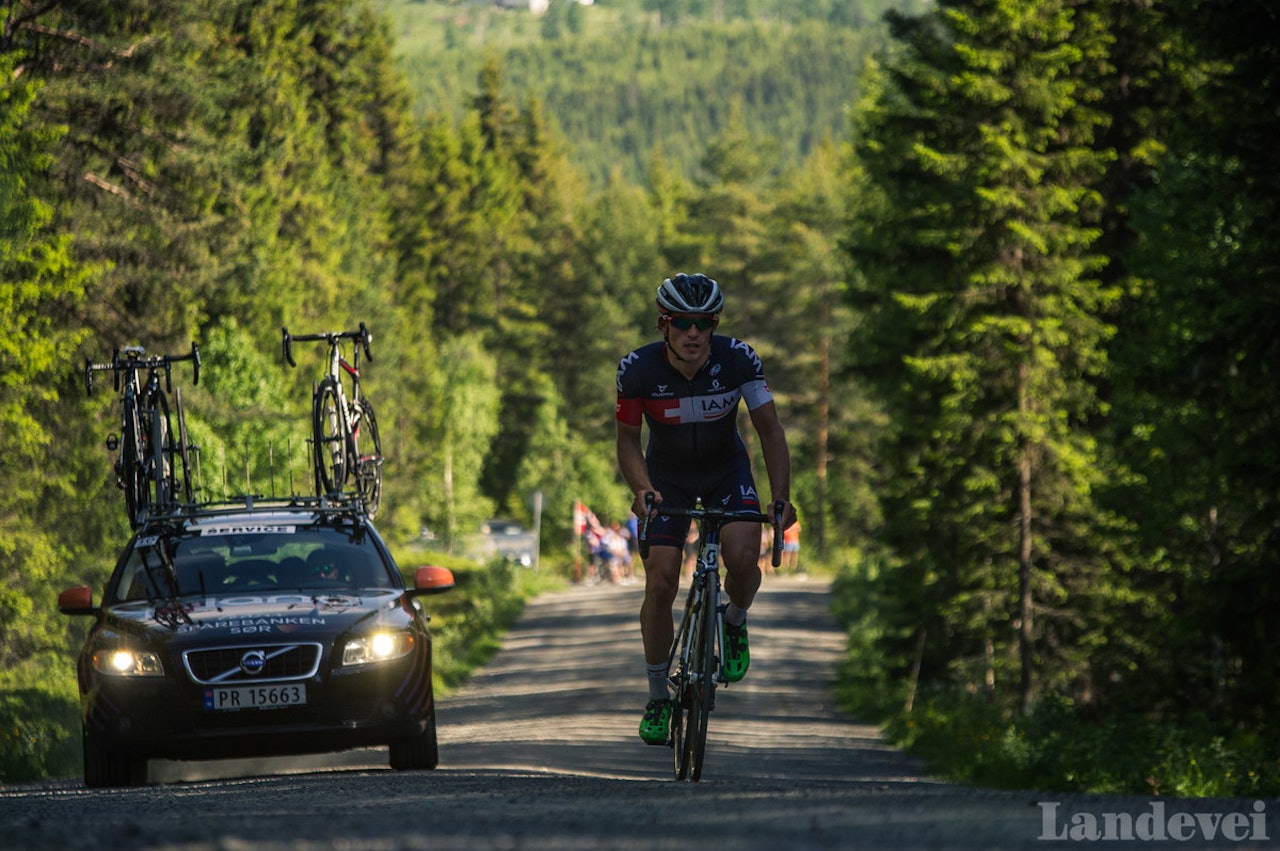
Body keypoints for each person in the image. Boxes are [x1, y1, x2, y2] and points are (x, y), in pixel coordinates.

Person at [615, 272, 796, 746]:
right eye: (682, 323)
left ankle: (733, 622)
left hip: (725, 472)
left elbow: (770, 431)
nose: (693, 333)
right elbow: (629, 441)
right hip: (667, 478)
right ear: (663, 324)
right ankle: (658, 696)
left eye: (704, 323)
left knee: (742, 560)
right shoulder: (637, 370)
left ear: (714, 324)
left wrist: (781, 496)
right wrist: (641, 488)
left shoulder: (739, 360)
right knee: (659, 581)